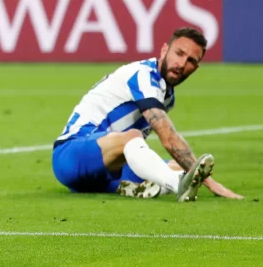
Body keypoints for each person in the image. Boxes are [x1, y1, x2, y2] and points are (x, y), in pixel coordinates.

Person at [52, 27, 243, 201]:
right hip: (71, 156)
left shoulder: (167, 96)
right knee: (136, 140)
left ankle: (134, 187)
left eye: (191, 61)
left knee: (176, 167)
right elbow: (167, 137)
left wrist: (196, 175)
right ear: (164, 50)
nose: (182, 63)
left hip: (104, 172)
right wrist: (212, 184)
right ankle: (178, 186)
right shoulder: (143, 75)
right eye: (179, 53)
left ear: (196, 68)